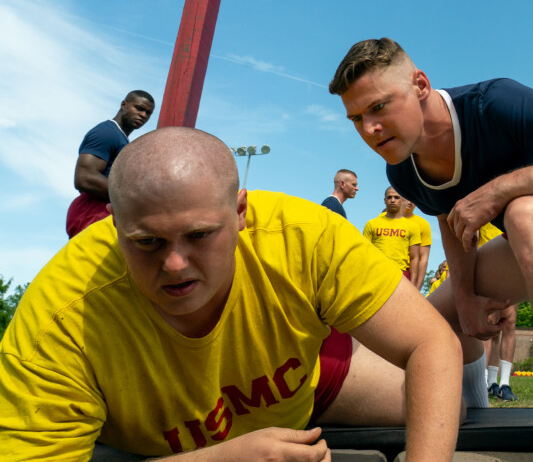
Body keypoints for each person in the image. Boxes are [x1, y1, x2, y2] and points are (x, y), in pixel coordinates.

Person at [0, 127, 461, 461]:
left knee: (445, 405)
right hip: (172, 433)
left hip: (302, 382)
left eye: (199, 235)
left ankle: (464, 306)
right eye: (148, 242)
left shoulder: (303, 235)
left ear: (241, 212)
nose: (175, 263)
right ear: (114, 224)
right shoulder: (61, 315)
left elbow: (431, 344)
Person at [331, 38, 533, 462]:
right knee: (433, 319)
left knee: (523, 211)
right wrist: (465, 297)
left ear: (420, 85)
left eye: (379, 107)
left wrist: (499, 190)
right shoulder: (401, 168)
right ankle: (477, 412)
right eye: (356, 118)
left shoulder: (493, 102)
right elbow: (451, 220)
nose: (369, 128)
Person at [66, 90, 155, 237]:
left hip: (108, 214)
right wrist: (132, 197)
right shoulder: (107, 132)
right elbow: (84, 178)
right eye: (139, 108)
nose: (143, 115)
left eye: (148, 113)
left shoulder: (121, 139)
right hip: (92, 212)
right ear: (124, 105)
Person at [477, 222, 520, 403]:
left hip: (512, 269)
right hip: (487, 269)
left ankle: (503, 383)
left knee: (509, 323)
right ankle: (484, 381)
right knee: (489, 327)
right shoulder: (482, 212)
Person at [363, 187, 422, 279]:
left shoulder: (412, 227)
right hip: (376, 272)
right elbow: (365, 253)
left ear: (402, 200)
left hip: (401, 274)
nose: (392, 200)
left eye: (396, 197)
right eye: (389, 197)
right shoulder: (371, 224)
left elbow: (414, 258)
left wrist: (413, 282)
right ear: (384, 200)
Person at [403, 199, 434, 290]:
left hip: (408, 273)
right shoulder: (383, 219)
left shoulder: (423, 224)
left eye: (413, 199)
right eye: (406, 197)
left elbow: (423, 258)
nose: (410, 202)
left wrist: (418, 286)